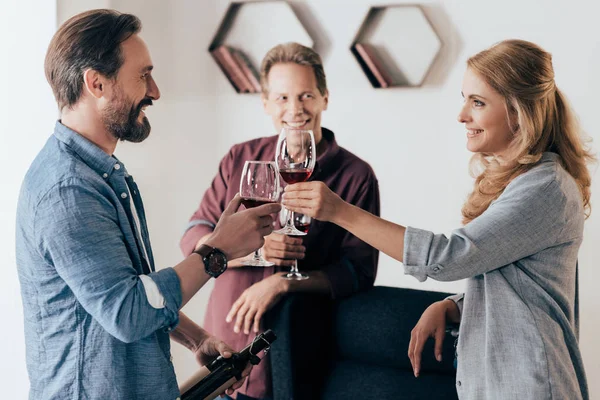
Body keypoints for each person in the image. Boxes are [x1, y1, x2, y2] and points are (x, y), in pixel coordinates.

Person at [282, 39, 592, 399]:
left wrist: (340, 212)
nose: (462, 115)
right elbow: (521, 284)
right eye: (465, 99)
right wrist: (454, 306)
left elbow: (448, 257)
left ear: (519, 111)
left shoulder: (545, 187)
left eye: (477, 102)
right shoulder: (527, 182)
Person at [15, 9, 280, 400]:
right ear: (96, 83)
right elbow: (127, 311)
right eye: (143, 75)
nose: (154, 91)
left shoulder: (99, 175)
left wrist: (194, 338)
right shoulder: (69, 191)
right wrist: (216, 251)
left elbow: (129, 289)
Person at [180, 42, 380, 400]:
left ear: (324, 98)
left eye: (306, 96)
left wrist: (282, 284)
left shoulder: (356, 175)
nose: (295, 109)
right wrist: (246, 251)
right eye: (282, 98)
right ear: (266, 104)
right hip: (226, 342)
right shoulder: (240, 158)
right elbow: (195, 234)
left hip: (302, 350)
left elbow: (358, 272)